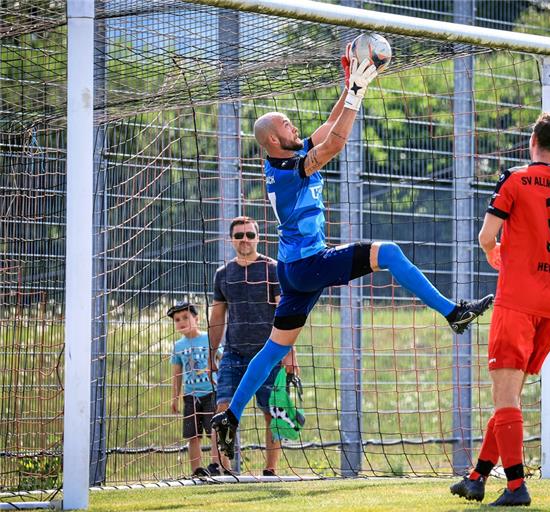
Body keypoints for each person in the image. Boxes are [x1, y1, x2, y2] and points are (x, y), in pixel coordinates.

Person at [210, 49, 494, 459]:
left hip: (294, 270)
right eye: (287, 125)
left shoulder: (286, 157)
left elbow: (328, 128)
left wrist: (350, 85)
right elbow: (336, 143)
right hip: (309, 265)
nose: (295, 127)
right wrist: (357, 93)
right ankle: (454, 313)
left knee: (273, 348)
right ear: (273, 139)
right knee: (389, 252)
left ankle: (230, 415)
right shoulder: (288, 172)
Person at [449, 112, 550, 507]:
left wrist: (494, 251)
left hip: (516, 301)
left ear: (532, 140)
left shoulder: (516, 179)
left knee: (505, 398)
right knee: (513, 396)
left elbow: (486, 236)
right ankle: (476, 478)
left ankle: (516, 486)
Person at [208, 216, 298, 477]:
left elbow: (288, 313)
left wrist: (290, 353)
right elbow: (217, 317)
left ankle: (270, 469)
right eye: (239, 235)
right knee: (222, 407)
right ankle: (219, 466)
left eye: (249, 235)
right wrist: (210, 353)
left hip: (269, 353)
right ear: (231, 239)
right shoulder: (223, 274)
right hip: (233, 353)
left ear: (257, 238)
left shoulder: (273, 269)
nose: (244, 240)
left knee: (272, 411)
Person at [168, 301, 222, 477]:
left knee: (216, 431)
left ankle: (219, 466)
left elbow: (221, 359)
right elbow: (177, 375)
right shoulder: (178, 346)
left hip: (211, 393)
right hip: (191, 396)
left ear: (196, 319)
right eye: (177, 319)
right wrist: (174, 398)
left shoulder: (208, 338)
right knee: (193, 435)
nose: (181, 322)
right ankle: (197, 470)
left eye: (185, 317)